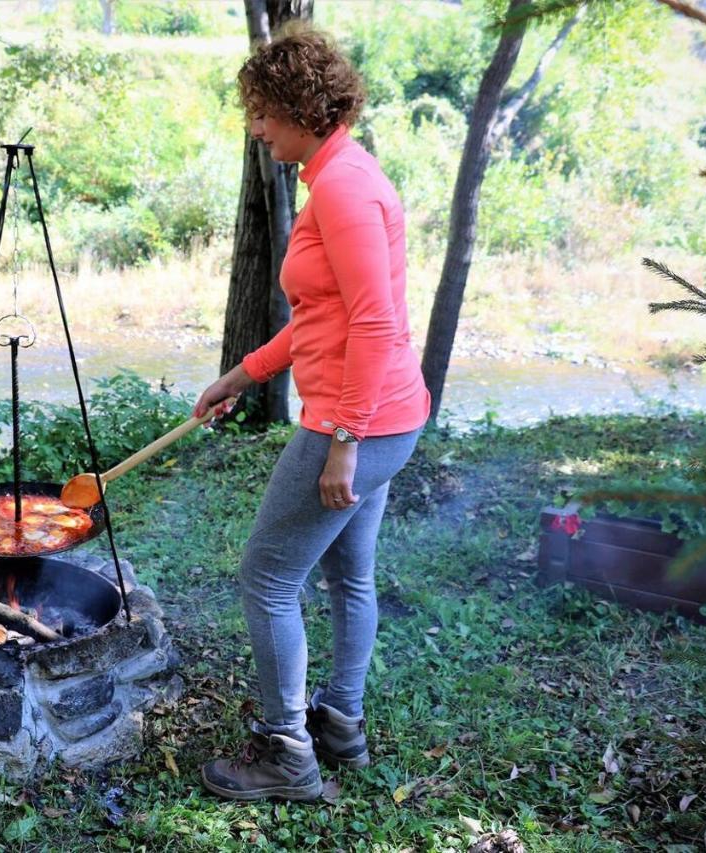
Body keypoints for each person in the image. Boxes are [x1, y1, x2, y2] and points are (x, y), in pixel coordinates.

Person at [194, 26, 431, 802]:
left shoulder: (342, 188)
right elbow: (321, 316)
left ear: (299, 107)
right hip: (384, 416)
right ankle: (341, 724)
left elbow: (372, 323)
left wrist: (343, 440)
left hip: (360, 421)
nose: (255, 128)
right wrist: (242, 374)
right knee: (348, 575)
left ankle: (287, 751)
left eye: (261, 112)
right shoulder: (338, 175)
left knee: (265, 575)